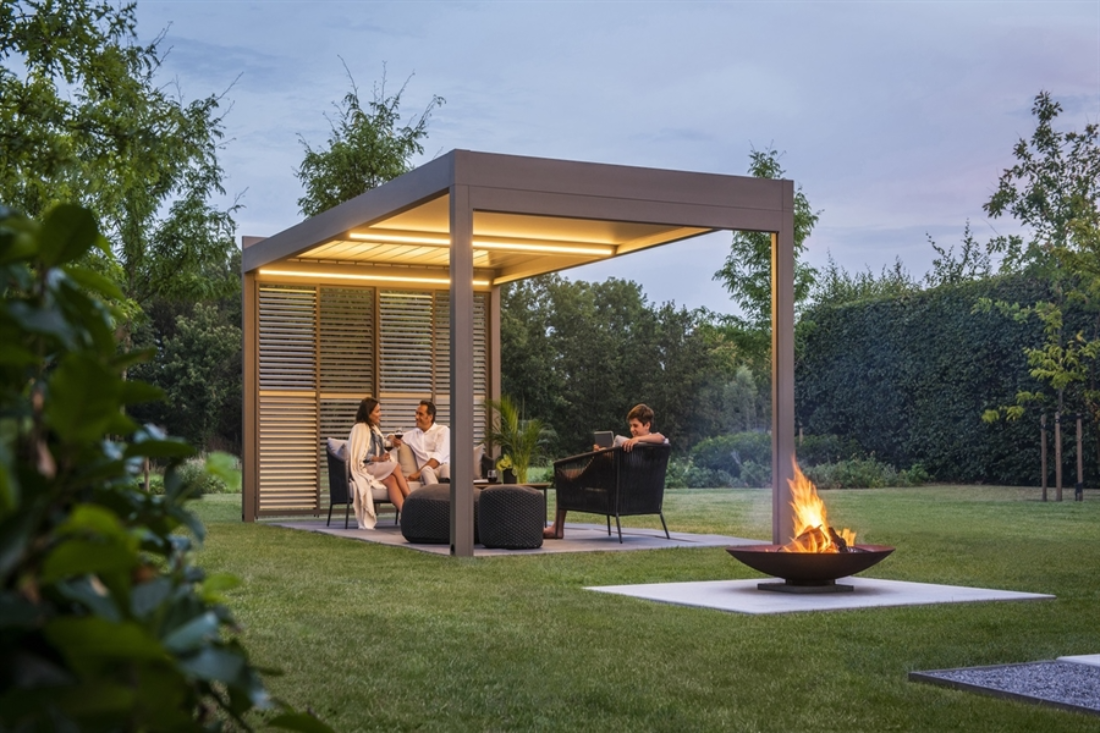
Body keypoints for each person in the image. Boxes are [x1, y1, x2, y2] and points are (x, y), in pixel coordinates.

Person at [544, 403, 668, 540]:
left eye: (635, 425)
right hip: (626, 489)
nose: (632, 429)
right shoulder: (638, 445)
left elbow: (661, 438)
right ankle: (591, 463)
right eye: (631, 425)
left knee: (564, 477)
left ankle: (557, 528)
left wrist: (635, 440)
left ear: (647, 425)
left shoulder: (652, 443)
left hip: (621, 491)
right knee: (599, 457)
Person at [347, 397, 412, 528]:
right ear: (368, 413)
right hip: (365, 468)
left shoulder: (374, 429)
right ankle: (412, 501)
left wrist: (392, 440)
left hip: (376, 467)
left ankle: (406, 514)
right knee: (396, 467)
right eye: (377, 411)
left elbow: (383, 443)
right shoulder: (359, 428)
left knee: (392, 480)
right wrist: (378, 459)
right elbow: (360, 455)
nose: (380, 414)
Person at [393, 400, 450, 485]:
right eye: (416, 413)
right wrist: (392, 439)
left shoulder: (443, 430)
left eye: (420, 414)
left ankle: (447, 492)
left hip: (442, 468)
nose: (416, 417)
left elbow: (438, 457)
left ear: (430, 417)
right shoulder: (412, 434)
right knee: (426, 470)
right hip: (426, 472)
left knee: (445, 467)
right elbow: (392, 436)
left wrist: (417, 474)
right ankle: (438, 496)